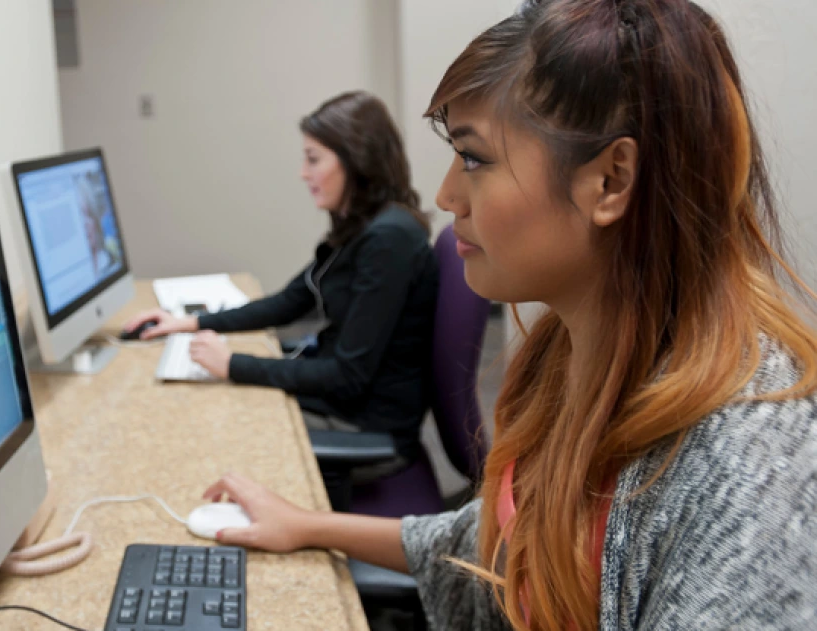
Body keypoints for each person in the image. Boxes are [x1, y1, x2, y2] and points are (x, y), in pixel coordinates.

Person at [200, 1, 817, 629]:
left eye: (473, 158)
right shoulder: (568, 352)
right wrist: (308, 525)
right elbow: (507, 535)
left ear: (610, 181)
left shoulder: (748, 464)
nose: (445, 195)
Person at [125, 91, 439, 466]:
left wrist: (231, 365)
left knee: (209, 430)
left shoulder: (388, 240)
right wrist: (190, 322)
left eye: (313, 160)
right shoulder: (360, 227)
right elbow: (290, 300)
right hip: (342, 404)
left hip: (363, 427)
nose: (302, 173)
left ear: (356, 160)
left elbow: (348, 375)